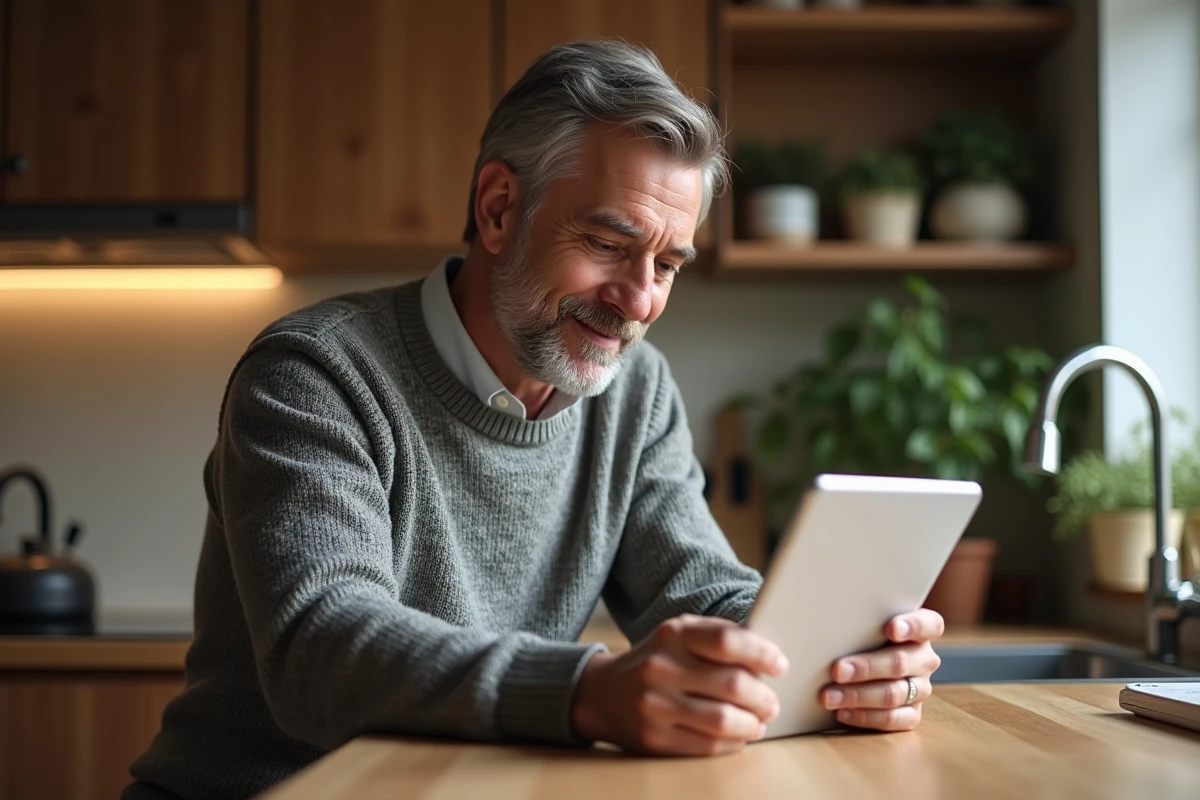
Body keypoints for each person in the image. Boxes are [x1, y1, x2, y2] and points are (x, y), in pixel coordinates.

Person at [123, 40, 944, 800]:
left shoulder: (636, 391)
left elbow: (699, 593)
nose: (640, 301)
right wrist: (586, 691)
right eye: (608, 244)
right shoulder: (316, 374)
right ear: (497, 208)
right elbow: (322, 648)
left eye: (667, 264)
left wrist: (837, 660)